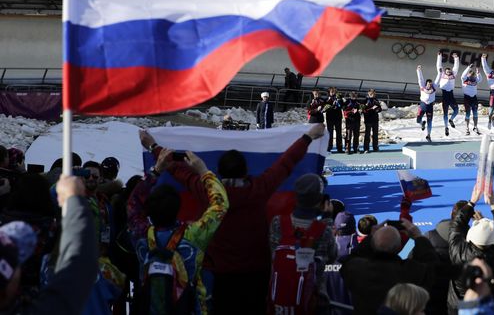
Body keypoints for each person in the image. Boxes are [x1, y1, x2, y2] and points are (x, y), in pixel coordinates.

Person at [140, 125, 324, 315]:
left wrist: (153, 146)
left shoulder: (206, 191)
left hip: (217, 277)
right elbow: (286, 163)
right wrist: (308, 137)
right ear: (246, 171)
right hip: (256, 275)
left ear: (218, 172)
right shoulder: (259, 188)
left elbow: (178, 170)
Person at [128, 150, 229, 315]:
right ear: (178, 209)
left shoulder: (141, 234)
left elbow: (133, 204)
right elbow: (221, 205)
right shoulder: (193, 235)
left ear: (149, 211)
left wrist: (156, 171)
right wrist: (203, 171)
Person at [0, 175, 97, 315]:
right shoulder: (50, 227)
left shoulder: (4, 218)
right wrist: (75, 200)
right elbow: (79, 265)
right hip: (41, 288)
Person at [268, 174, 337, 313]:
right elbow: (332, 257)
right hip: (314, 299)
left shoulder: (277, 222)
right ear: (320, 200)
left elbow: (272, 252)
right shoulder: (325, 231)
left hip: (278, 298)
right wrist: (328, 219)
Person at [340, 220, 438, 314]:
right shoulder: (411, 271)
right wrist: (418, 237)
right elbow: (433, 267)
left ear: (372, 245)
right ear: (400, 247)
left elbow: (349, 260)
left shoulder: (358, 270)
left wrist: (371, 236)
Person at [448, 188, 494, 311]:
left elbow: (456, 226)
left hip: (458, 304)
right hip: (491, 305)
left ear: (469, 236)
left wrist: (471, 202)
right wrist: (493, 205)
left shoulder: (458, 251)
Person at [420, 201, 468, 315]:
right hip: (459, 298)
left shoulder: (429, 236)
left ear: (452, 213)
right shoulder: (472, 240)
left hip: (433, 292)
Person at [436, 52, 460, 137]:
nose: (449, 72)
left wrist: (456, 58)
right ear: (445, 72)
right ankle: (446, 127)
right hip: (445, 95)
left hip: (451, 95)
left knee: (456, 110)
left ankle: (451, 119)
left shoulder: (453, 75)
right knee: (445, 113)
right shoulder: (442, 74)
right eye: (447, 71)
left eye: (449, 71)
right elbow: (439, 66)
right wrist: (439, 56)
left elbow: (456, 67)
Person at [460, 63, 482, 136]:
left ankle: (475, 127)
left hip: (474, 98)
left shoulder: (475, 80)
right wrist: (469, 67)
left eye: (473, 75)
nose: (472, 76)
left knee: (475, 113)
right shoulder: (464, 79)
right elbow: (463, 75)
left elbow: (480, 79)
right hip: (467, 98)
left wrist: (478, 72)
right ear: (468, 74)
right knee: (468, 114)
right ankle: (467, 128)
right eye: (470, 75)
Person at [416, 65, 437, 142]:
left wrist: (440, 73)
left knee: (429, 122)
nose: (430, 85)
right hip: (423, 105)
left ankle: (428, 135)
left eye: (431, 84)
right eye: (428, 84)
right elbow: (420, 79)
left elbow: (437, 80)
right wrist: (419, 70)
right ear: (426, 84)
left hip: (430, 107)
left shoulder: (434, 88)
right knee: (418, 120)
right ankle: (422, 124)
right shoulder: (422, 87)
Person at [325, 88, 345, 154]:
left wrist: (341, 99)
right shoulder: (327, 99)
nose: (333, 93)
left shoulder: (339, 99)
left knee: (339, 133)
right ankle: (328, 147)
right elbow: (325, 108)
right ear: (329, 92)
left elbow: (343, 106)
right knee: (329, 133)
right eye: (331, 92)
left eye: (334, 92)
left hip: (338, 118)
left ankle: (339, 148)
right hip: (330, 118)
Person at [362, 89, 382, 153]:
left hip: (375, 120)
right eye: (371, 93)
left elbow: (380, 109)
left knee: (375, 135)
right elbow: (363, 109)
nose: (372, 94)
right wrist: (368, 109)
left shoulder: (376, 100)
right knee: (367, 134)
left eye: (373, 93)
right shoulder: (365, 100)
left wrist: (377, 109)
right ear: (368, 93)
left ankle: (375, 147)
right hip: (368, 120)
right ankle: (366, 148)